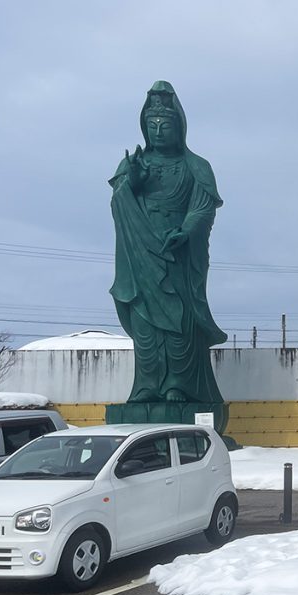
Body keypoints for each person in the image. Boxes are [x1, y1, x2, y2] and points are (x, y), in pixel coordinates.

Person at [109, 81, 226, 404]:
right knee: (145, 321)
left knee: (179, 318)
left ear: (180, 126)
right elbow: (118, 202)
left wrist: (186, 231)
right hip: (142, 255)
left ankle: (180, 384)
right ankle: (148, 384)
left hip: (179, 253)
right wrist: (131, 184)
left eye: (166, 124)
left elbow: (203, 207)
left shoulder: (196, 166)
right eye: (153, 124)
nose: (159, 130)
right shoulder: (134, 165)